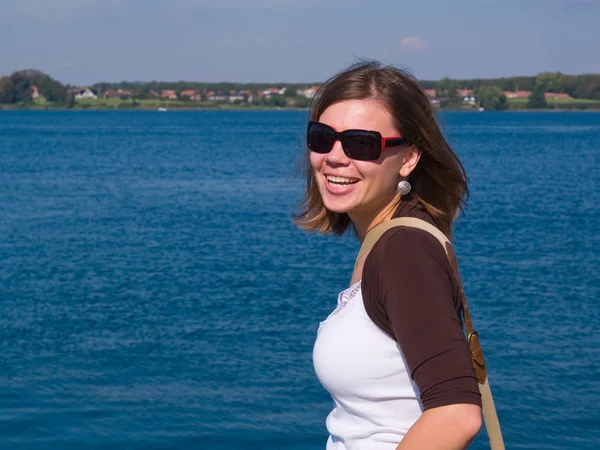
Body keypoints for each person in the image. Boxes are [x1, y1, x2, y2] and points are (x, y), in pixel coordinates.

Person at [295, 61, 483, 449]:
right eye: (322, 137)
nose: (334, 156)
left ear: (409, 158)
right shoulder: (383, 242)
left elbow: (457, 414)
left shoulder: (404, 250)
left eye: (360, 143)